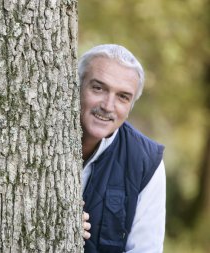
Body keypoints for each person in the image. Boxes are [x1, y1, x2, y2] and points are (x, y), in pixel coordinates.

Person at [79, 44, 166, 253]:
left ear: (130, 106)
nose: (108, 106)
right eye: (98, 88)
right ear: (77, 86)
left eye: (122, 97)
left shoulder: (146, 162)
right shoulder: (34, 138)